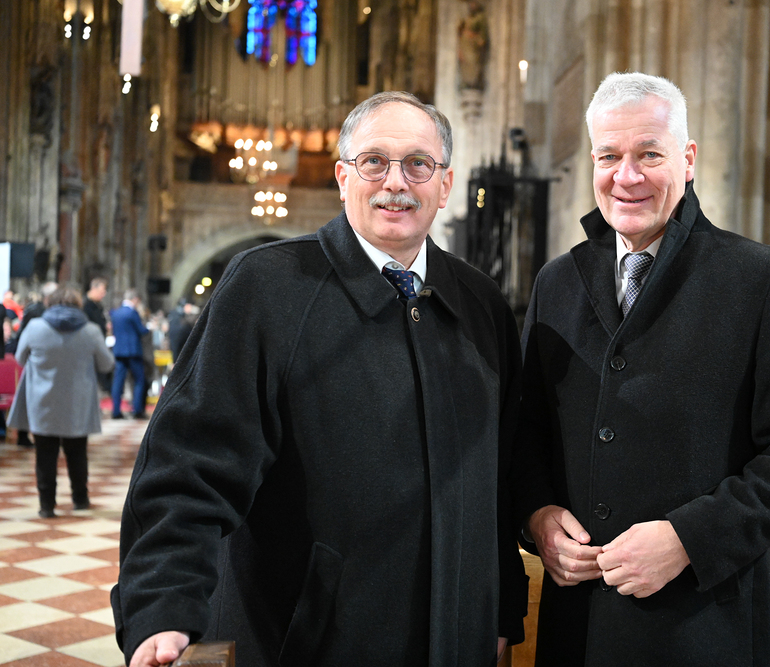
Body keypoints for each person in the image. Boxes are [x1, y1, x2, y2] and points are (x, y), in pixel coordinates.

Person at [112, 91, 526, 667]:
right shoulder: (266, 287)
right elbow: (191, 460)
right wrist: (162, 602)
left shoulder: (481, 303)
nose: (396, 182)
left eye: (418, 164)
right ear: (342, 176)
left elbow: (499, 477)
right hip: (308, 644)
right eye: (374, 161)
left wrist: (499, 607)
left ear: (445, 183)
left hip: (455, 639)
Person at [513, 72, 770, 666]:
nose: (626, 176)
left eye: (649, 154)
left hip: (700, 627)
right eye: (609, 156)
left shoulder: (761, 280)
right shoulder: (557, 282)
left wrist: (690, 539)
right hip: (578, 629)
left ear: (687, 160)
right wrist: (536, 516)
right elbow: (526, 433)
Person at [5, 285, 114, 517]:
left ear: (50, 303)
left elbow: (20, 358)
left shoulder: (35, 327)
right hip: (78, 402)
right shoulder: (91, 330)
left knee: (45, 455)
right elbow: (107, 364)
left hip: (43, 401)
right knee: (77, 453)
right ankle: (80, 500)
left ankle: (46, 506)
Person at [109, 289, 149, 419]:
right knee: (139, 380)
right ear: (135, 299)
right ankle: (137, 410)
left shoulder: (115, 313)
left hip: (119, 351)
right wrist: (149, 327)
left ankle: (116, 411)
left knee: (118, 381)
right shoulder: (132, 312)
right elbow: (141, 330)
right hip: (133, 351)